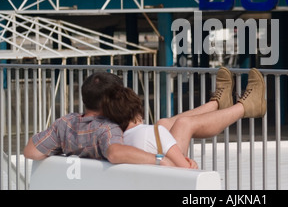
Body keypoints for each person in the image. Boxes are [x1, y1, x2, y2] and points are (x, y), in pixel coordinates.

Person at [101, 67, 266, 169]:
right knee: (184, 124)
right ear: (137, 109)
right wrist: (186, 164)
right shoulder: (151, 133)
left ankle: (216, 104)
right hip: (169, 181)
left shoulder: (117, 136)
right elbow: (186, 169)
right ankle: (245, 107)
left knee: (163, 123)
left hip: (154, 178)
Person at [23, 71, 175, 166]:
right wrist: (159, 159)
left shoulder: (65, 123)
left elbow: (31, 151)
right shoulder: (108, 128)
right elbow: (115, 153)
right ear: (110, 101)